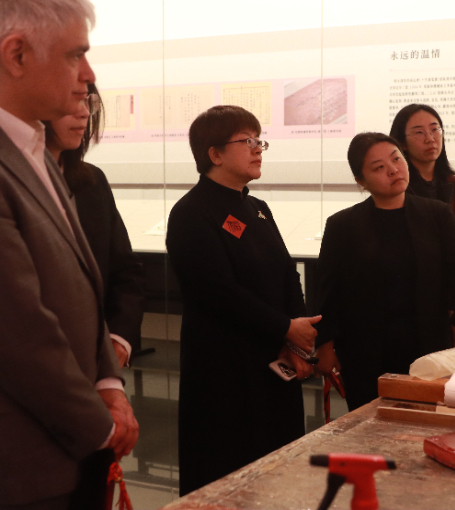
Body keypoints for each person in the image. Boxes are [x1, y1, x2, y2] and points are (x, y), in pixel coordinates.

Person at [0, 1, 138, 509]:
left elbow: (82, 289)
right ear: (17, 54)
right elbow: (19, 329)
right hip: (25, 466)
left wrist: (109, 383)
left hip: (69, 450)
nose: (88, 74)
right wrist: (99, 424)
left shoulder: (34, 151)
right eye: (75, 55)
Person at [166, 105, 320, 496]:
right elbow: (216, 291)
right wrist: (285, 327)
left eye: (259, 140)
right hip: (224, 369)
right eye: (246, 140)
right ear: (214, 154)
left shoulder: (257, 208)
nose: (257, 148)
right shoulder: (190, 213)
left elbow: (287, 274)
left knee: (277, 471)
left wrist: (296, 339)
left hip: (274, 361)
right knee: (228, 476)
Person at [314, 132, 455, 411]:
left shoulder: (438, 214)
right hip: (365, 350)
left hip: (428, 345)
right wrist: (325, 345)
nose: (393, 170)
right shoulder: (342, 225)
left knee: (428, 419)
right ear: (361, 181)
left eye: (396, 159)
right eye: (379, 167)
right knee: (371, 421)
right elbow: (328, 291)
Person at [44, 83, 145, 368]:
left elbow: (125, 269)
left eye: (89, 102)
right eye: (73, 100)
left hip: (95, 357)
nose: (84, 113)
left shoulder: (92, 180)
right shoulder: (12, 183)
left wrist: (119, 339)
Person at [389, 103, 455, 253]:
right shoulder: (398, 188)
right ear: (402, 143)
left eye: (435, 130)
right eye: (419, 132)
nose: (430, 139)